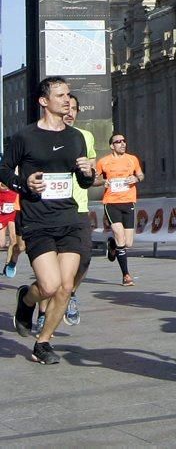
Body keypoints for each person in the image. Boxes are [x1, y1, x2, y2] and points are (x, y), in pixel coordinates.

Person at [0, 76, 95, 365]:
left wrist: (88, 173)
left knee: (66, 287)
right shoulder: (25, 137)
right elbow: (3, 169)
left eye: (69, 95)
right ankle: (26, 300)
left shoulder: (75, 137)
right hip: (38, 220)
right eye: (60, 95)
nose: (67, 100)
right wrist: (23, 184)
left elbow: (83, 180)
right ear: (44, 101)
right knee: (50, 285)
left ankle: (43, 342)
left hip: (70, 218)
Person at [35, 93, 97, 331]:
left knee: (83, 262)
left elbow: (91, 172)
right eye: (66, 107)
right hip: (47, 211)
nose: (70, 112)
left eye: (74, 109)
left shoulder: (84, 137)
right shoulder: (40, 137)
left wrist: (93, 175)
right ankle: (43, 313)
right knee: (50, 272)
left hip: (78, 209)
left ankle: (70, 293)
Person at [95, 134, 144, 286]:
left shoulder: (132, 159)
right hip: (111, 203)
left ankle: (112, 245)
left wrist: (136, 179)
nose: (122, 144)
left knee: (128, 243)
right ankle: (126, 275)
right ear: (112, 146)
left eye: (124, 141)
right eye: (118, 142)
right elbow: (94, 180)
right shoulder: (103, 162)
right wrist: (103, 181)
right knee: (120, 236)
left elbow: (141, 174)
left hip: (128, 201)